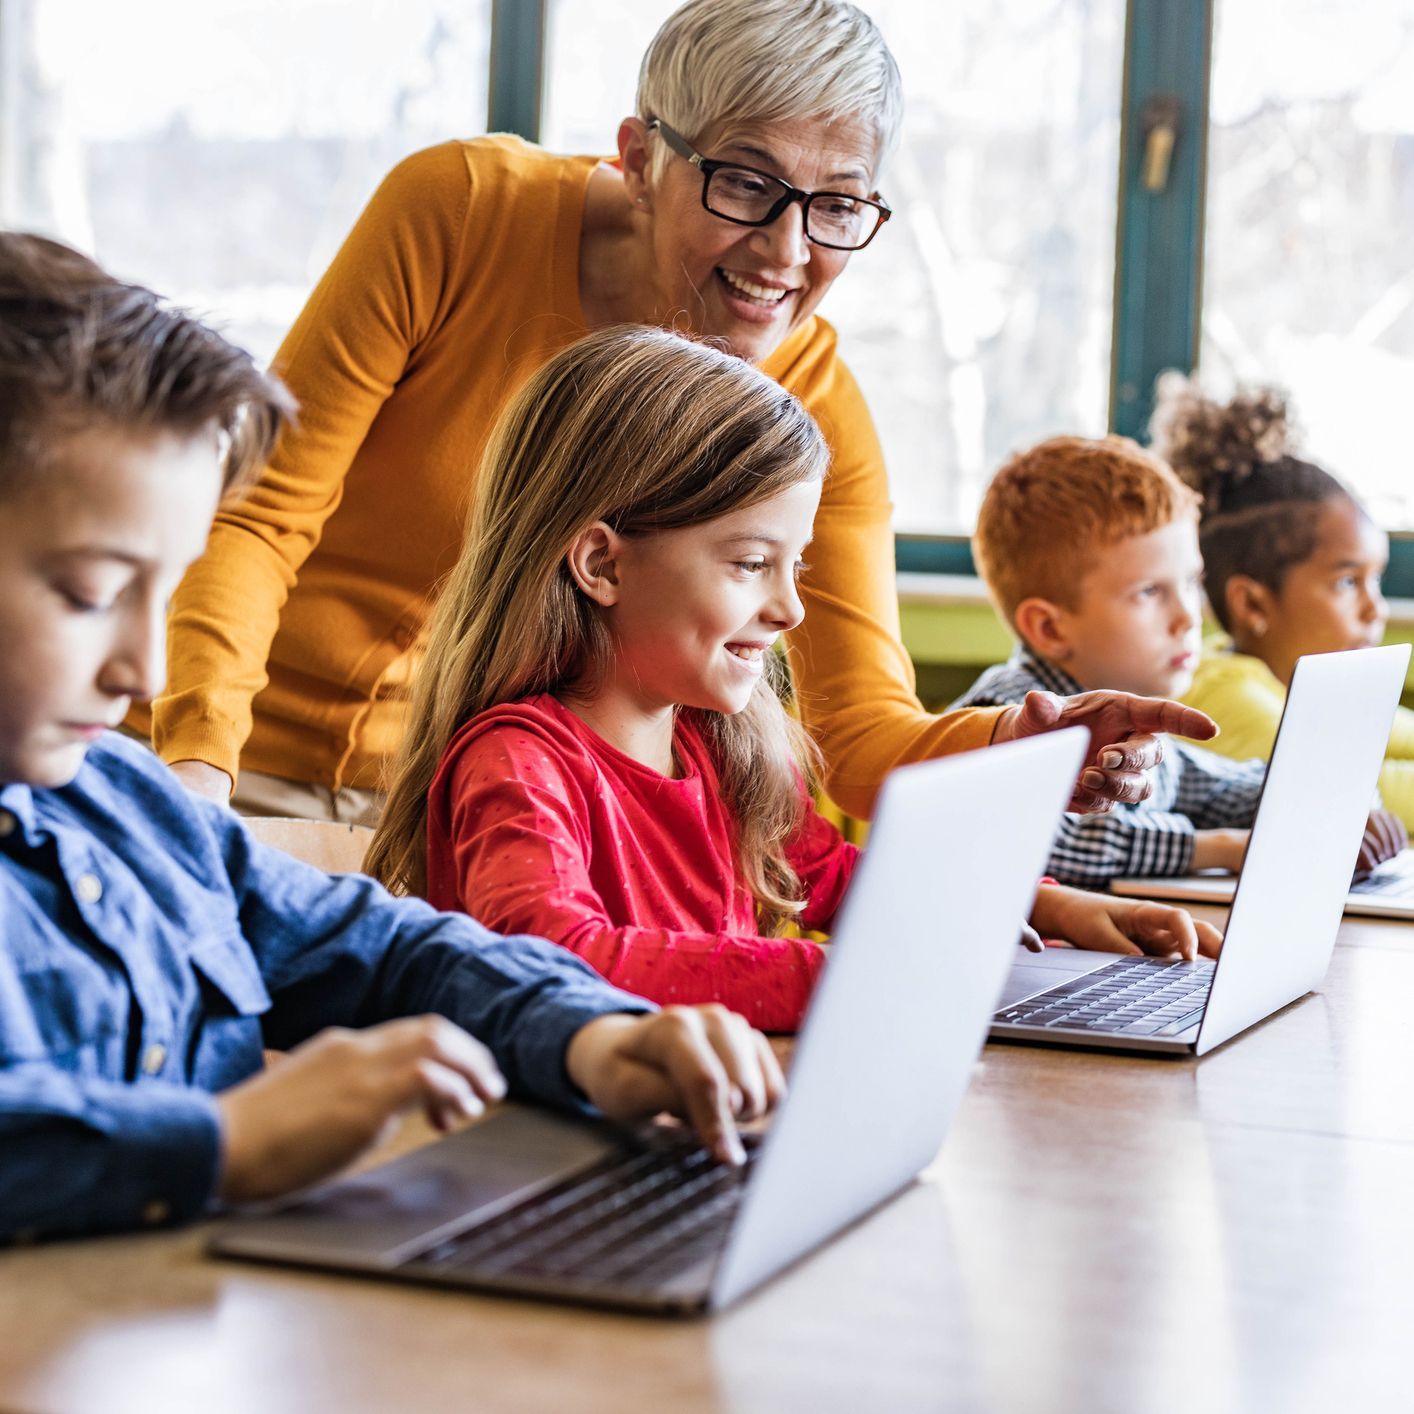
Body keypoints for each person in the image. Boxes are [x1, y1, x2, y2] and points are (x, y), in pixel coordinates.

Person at [130, 0, 1212, 828]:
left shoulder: (815, 407)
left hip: (451, 816)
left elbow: (857, 731)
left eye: (836, 204)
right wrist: (197, 772)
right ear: (641, 158)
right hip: (213, 761)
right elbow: (259, 516)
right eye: (744, 184)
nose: (786, 255)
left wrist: (1020, 744)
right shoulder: (459, 212)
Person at [0, 234, 786, 1244]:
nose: (145, 674)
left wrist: (592, 1035)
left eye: (168, 591)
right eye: (93, 593)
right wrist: (221, 1141)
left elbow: (382, 946)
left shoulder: (125, 801)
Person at [365, 330, 1225, 1032]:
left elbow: (845, 879)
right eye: (749, 563)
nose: (789, 610)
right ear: (600, 562)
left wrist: (1046, 907)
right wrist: (837, 980)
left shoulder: (714, 746)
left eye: (795, 566)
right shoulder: (520, 763)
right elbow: (551, 955)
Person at [951, 435, 1403, 886]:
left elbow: (1223, 789)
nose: (1189, 616)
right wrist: (1222, 848)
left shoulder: (1141, 729)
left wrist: (1336, 804)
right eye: (1149, 592)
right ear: (1050, 628)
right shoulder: (1002, 715)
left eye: (1190, 581)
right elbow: (1048, 839)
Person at [1152, 377, 1414, 838]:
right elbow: (1367, 796)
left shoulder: (1298, 680)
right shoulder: (1222, 700)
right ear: (1253, 603)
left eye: (1376, 579)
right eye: (1348, 581)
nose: (1376, 610)